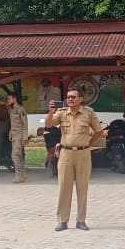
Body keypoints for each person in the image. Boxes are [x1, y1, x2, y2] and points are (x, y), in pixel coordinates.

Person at [44, 89, 103, 231]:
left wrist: (89, 143)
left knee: (82, 187)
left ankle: (81, 221)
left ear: (80, 99)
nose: (70, 99)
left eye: (73, 97)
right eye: (68, 97)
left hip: (83, 153)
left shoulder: (88, 113)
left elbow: (99, 131)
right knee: (64, 187)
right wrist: (51, 111)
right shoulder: (62, 112)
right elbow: (49, 124)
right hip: (66, 153)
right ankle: (62, 221)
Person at [7, 92, 28, 182]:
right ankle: (23, 174)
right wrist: (10, 133)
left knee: (14, 155)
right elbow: (13, 123)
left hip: (20, 135)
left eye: (10, 99)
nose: (8, 100)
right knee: (18, 155)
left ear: (14, 99)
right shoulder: (12, 110)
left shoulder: (20, 109)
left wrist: (25, 138)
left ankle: (18, 175)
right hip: (14, 136)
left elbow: (25, 124)